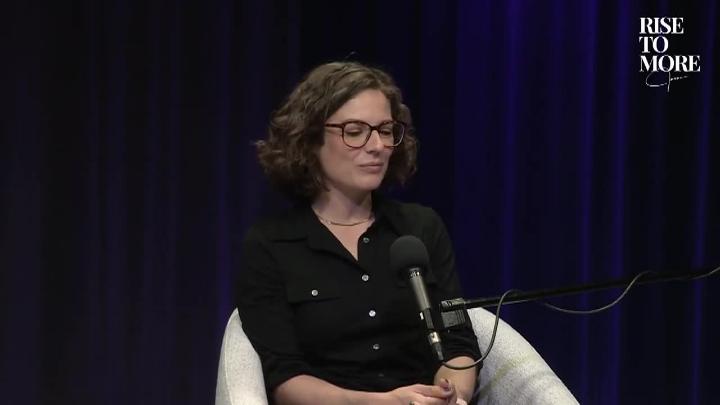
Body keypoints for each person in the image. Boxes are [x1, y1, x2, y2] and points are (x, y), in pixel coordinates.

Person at [236, 61, 480, 405]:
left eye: (385, 130)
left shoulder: (421, 228)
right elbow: (284, 378)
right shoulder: (271, 244)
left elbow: (458, 341)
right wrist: (382, 403)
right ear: (310, 138)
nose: (377, 145)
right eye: (355, 131)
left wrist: (452, 395)